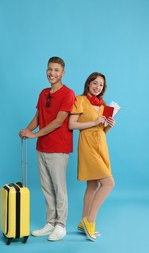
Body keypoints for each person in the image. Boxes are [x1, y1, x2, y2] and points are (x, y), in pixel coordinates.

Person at [19, 57, 75, 241]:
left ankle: (61, 225)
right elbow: (38, 117)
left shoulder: (68, 93)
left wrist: (36, 134)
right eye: (49, 69)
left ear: (63, 73)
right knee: (46, 187)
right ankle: (50, 222)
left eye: (56, 70)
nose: (52, 73)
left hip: (58, 148)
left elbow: (59, 121)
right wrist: (28, 130)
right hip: (42, 147)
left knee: (59, 187)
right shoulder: (43, 93)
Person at [69, 72, 116, 242]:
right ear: (88, 83)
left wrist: (109, 125)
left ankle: (82, 222)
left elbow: (102, 130)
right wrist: (94, 122)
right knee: (109, 183)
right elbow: (71, 124)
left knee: (93, 185)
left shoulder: (103, 105)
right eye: (95, 83)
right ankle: (91, 221)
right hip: (88, 145)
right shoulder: (80, 100)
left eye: (101, 85)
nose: (97, 87)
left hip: (101, 145)